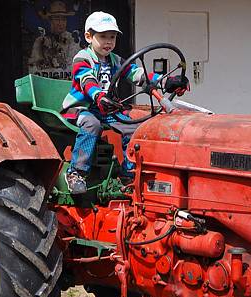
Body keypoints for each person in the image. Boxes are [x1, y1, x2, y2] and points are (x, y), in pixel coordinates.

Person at [59, 11, 189, 194]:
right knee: (92, 124)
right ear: (88, 36)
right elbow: (86, 80)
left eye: (112, 37)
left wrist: (166, 81)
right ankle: (76, 172)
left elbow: (137, 74)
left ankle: (128, 171)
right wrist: (98, 96)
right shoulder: (82, 58)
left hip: (106, 109)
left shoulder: (116, 60)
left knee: (135, 127)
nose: (108, 42)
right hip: (82, 108)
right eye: (103, 37)